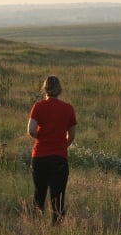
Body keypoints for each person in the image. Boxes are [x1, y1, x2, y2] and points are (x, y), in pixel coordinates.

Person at [27, 75, 77, 225]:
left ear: (44, 89)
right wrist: (62, 144)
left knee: (39, 194)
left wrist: (42, 138)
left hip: (40, 156)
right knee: (58, 197)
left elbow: (31, 130)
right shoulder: (68, 109)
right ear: (60, 90)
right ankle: (56, 228)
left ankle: (36, 225)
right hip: (59, 158)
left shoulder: (38, 106)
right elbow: (72, 135)